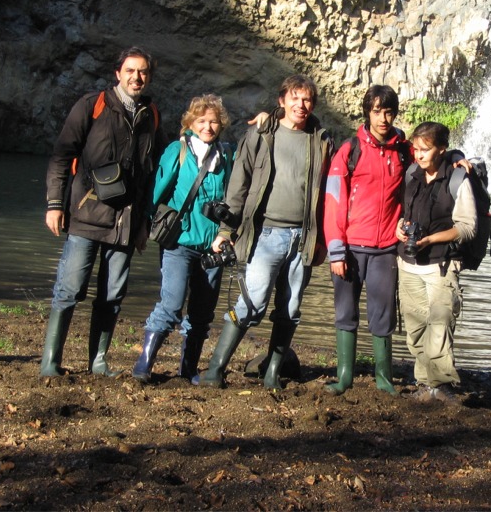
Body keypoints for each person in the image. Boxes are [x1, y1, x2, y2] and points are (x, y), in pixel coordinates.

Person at [40, 46, 166, 377]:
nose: (136, 77)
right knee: (69, 290)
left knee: (112, 295)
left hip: (125, 223)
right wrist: (55, 205)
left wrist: (145, 223)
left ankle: (98, 362)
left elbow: (156, 173)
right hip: (86, 216)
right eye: (130, 71)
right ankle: (50, 362)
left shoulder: (151, 115)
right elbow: (61, 156)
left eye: (143, 72)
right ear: (118, 73)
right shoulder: (92, 105)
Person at [203, 74, 333, 390]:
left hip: (304, 237)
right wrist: (225, 230)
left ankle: (273, 373)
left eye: (307, 100)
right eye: (295, 98)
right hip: (266, 234)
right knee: (252, 303)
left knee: (290, 309)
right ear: (282, 100)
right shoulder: (261, 134)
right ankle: (214, 369)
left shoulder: (322, 140)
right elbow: (239, 184)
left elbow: (329, 192)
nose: (301, 105)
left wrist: (324, 241)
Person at [132, 94, 235, 384]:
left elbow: (238, 193)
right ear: (190, 122)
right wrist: (143, 225)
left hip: (212, 247)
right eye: (202, 120)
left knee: (202, 313)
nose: (208, 126)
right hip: (178, 242)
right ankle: (144, 363)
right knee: (172, 304)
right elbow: (156, 193)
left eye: (214, 121)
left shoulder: (227, 155)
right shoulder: (177, 151)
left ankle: (188, 369)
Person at [322, 85, 409, 396]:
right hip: (350, 246)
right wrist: (335, 250)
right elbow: (333, 200)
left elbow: (431, 162)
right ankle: (344, 375)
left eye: (388, 111)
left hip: (386, 248)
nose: (383, 118)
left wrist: (456, 158)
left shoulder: (404, 151)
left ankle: (383, 378)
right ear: (367, 113)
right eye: (376, 111)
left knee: (382, 314)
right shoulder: (349, 150)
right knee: (345, 311)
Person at [395, 121, 476, 404]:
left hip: (441, 265)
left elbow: (467, 227)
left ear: (442, 150)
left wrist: (430, 240)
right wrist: (399, 229)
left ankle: (440, 386)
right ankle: (423, 384)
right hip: (408, 264)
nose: (418, 155)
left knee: (440, 327)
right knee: (416, 328)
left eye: (425, 150)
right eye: (416, 149)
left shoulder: (457, 179)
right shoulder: (411, 174)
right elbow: (404, 214)